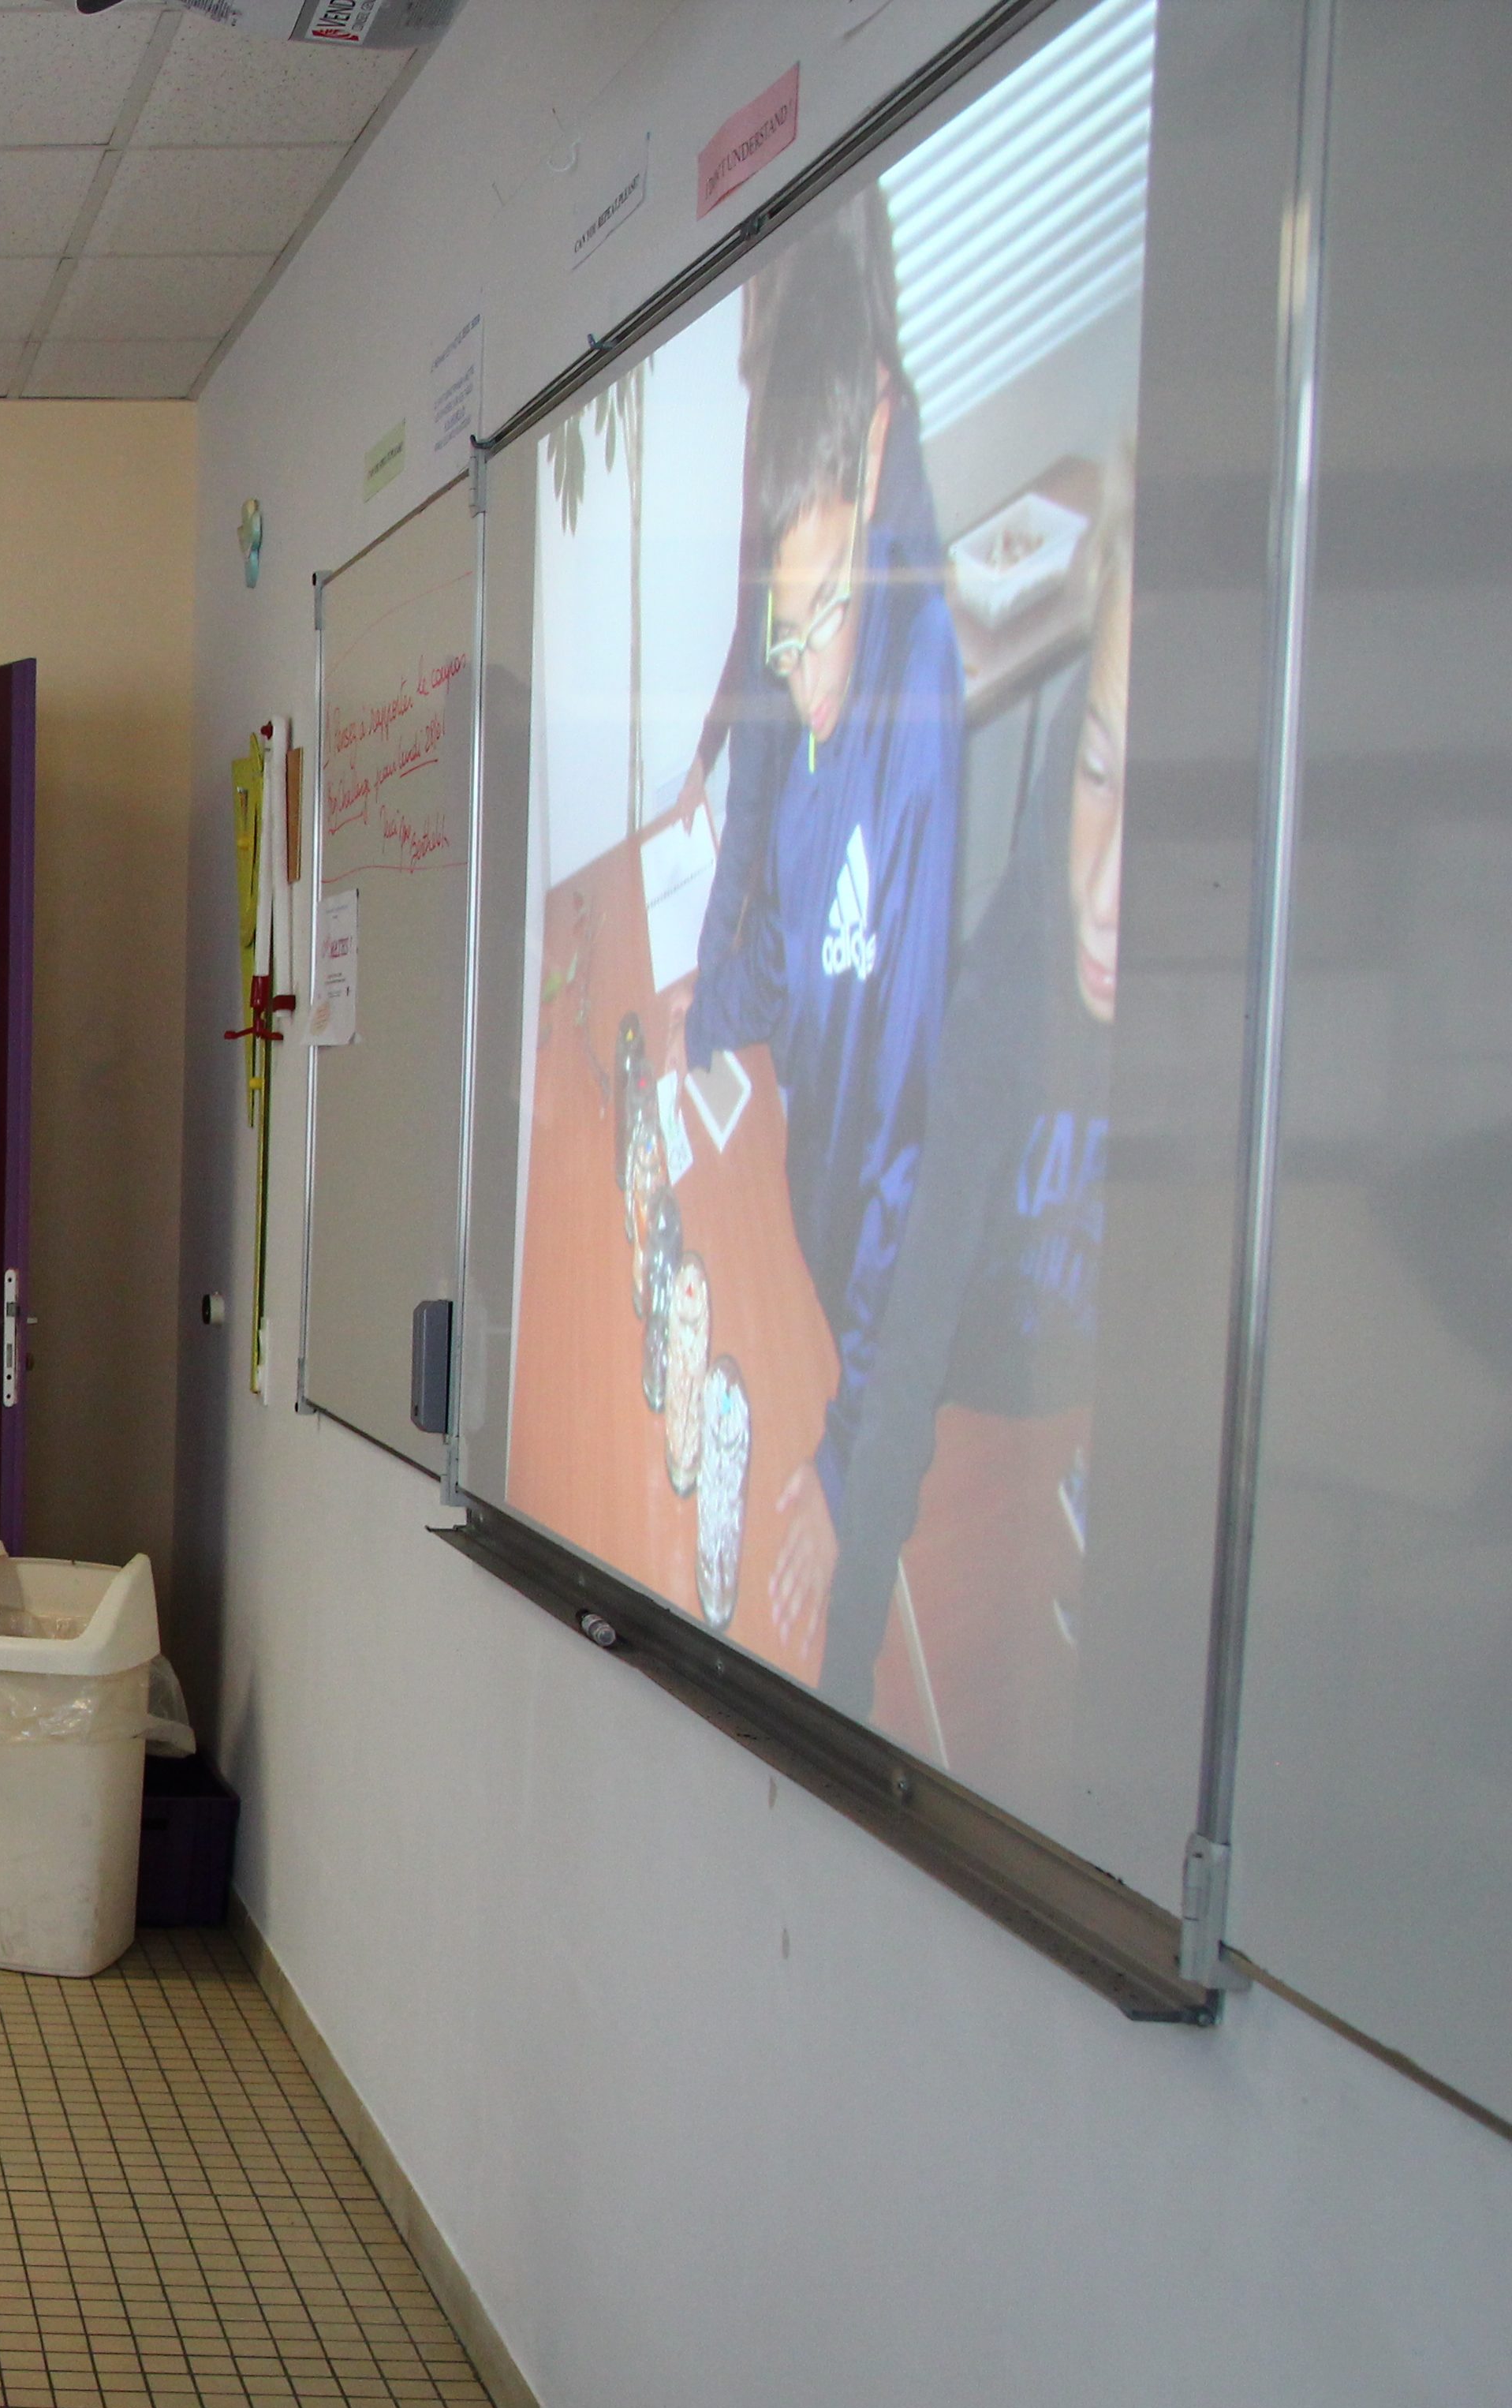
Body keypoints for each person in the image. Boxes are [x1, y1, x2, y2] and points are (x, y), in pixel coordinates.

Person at [668, 192, 964, 1675]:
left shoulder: (922, 734)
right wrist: (711, 1022)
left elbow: (920, 1139)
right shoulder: (807, 637)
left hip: (905, 1357)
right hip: (808, 1215)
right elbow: (774, 914)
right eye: (785, 642)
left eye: (819, 623)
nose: (808, 679)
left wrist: (847, 1470)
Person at [816, 459, 1136, 1715]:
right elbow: (914, 1328)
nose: (1103, 893)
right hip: (983, 1403)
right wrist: (837, 1684)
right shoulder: (1009, 997)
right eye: (1101, 771)